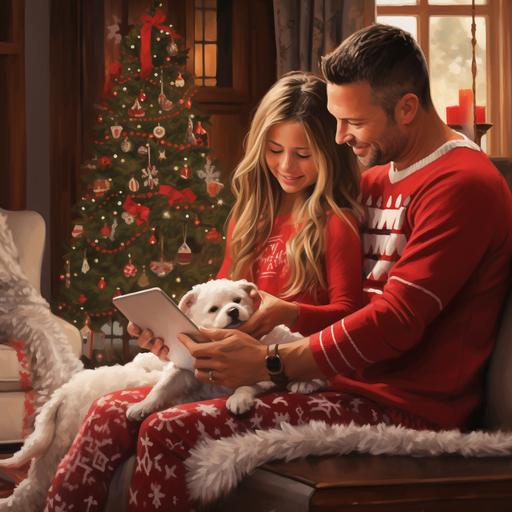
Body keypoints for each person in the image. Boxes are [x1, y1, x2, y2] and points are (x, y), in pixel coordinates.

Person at [43, 25, 512, 511]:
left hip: (402, 409)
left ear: (408, 108)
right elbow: (340, 306)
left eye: (352, 121)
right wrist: (210, 338)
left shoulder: (463, 185)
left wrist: (271, 363)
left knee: (166, 429)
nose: (339, 137)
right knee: (117, 411)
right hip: (340, 384)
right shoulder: (374, 180)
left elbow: (395, 320)